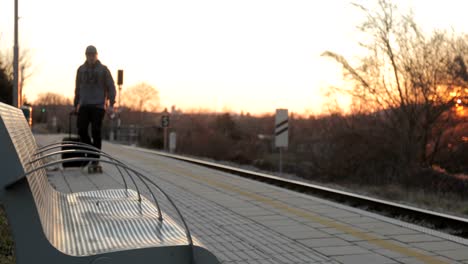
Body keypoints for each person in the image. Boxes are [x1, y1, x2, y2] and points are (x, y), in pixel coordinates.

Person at [74, 45, 116, 170]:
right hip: (84, 105)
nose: (91, 57)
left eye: (93, 55)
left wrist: (112, 104)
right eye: (88, 55)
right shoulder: (81, 70)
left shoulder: (104, 70)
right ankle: (91, 154)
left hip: (98, 106)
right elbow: (77, 88)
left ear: (96, 55)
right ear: (86, 56)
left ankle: (95, 160)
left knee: (96, 131)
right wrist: (75, 104)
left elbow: (111, 87)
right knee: (81, 130)